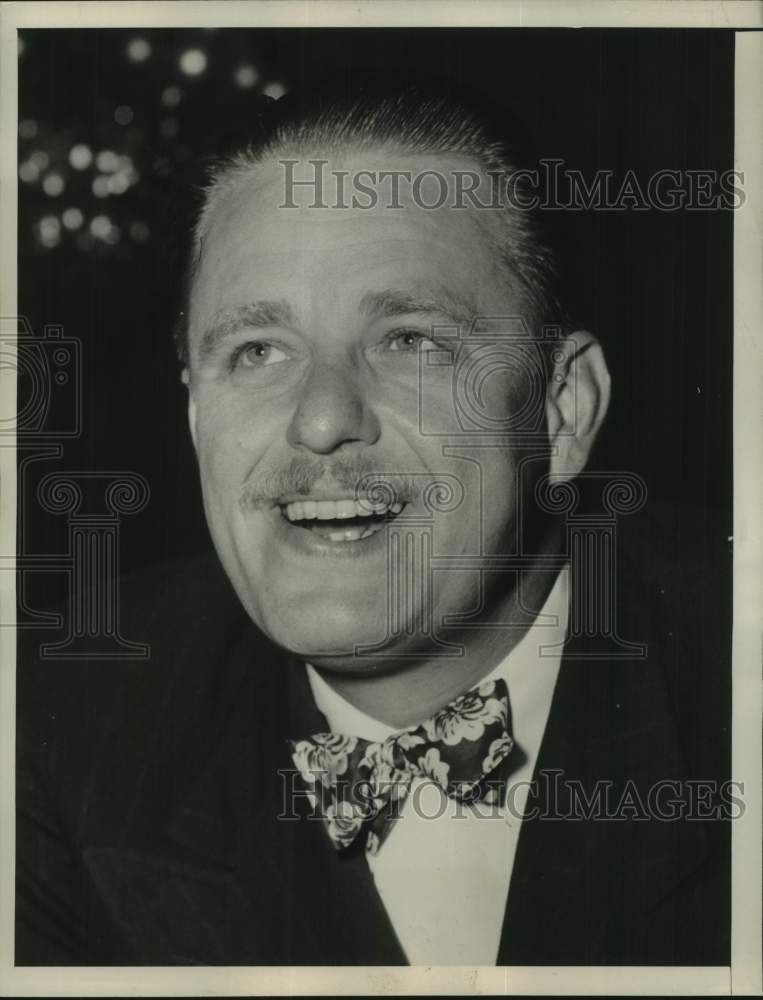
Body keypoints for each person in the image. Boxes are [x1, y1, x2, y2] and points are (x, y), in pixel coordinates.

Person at [16, 81, 731, 966]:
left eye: (409, 341)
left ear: (561, 409)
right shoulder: (49, 736)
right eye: (257, 351)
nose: (320, 421)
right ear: (197, 414)